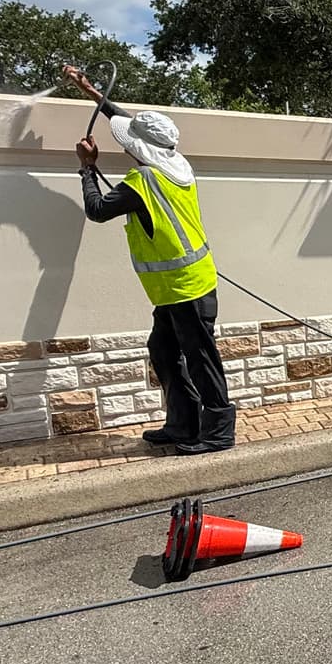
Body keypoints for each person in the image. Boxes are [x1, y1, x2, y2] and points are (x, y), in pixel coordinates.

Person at [65, 66, 235, 455]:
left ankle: (219, 431)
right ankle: (183, 424)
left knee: (201, 359)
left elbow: (97, 209)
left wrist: (87, 168)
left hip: (186, 287)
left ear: (139, 148)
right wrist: (90, 90)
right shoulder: (177, 164)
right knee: (162, 349)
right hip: (178, 287)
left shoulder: (143, 183)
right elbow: (129, 121)